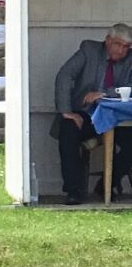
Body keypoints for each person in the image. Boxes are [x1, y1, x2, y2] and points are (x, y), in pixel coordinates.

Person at [53, 24, 132, 205]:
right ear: (108, 40)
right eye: (118, 44)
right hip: (87, 114)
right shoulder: (89, 50)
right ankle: (73, 190)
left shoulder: (130, 58)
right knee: (68, 130)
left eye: (127, 47)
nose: (122, 50)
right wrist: (66, 111)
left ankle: (106, 184)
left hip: (119, 118)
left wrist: (104, 93)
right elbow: (64, 75)